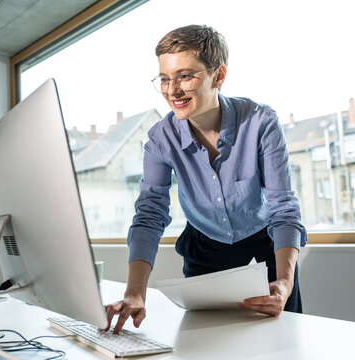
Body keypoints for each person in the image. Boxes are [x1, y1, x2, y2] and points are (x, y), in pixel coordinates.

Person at [104, 24, 307, 333]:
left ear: (219, 76)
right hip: (204, 247)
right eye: (164, 79)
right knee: (206, 339)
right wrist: (135, 293)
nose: (172, 90)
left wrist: (284, 282)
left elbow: (283, 208)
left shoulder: (261, 122)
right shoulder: (161, 139)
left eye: (185, 76)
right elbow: (149, 214)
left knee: (283, 335)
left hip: (265, 243)